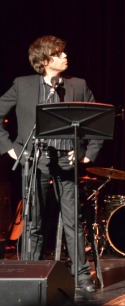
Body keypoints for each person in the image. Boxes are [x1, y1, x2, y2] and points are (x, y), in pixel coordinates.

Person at [0, 35, 102, 292]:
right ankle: (30, 273)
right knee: (32, 220)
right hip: (34, 162)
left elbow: (97, 121)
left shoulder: (78, 85)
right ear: (45, 60)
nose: (65, 56)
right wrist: (11, 148)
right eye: (58, 53)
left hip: (67, 163)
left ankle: (80, 275)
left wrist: (86, 154)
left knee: (73, 221)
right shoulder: (22, 85)